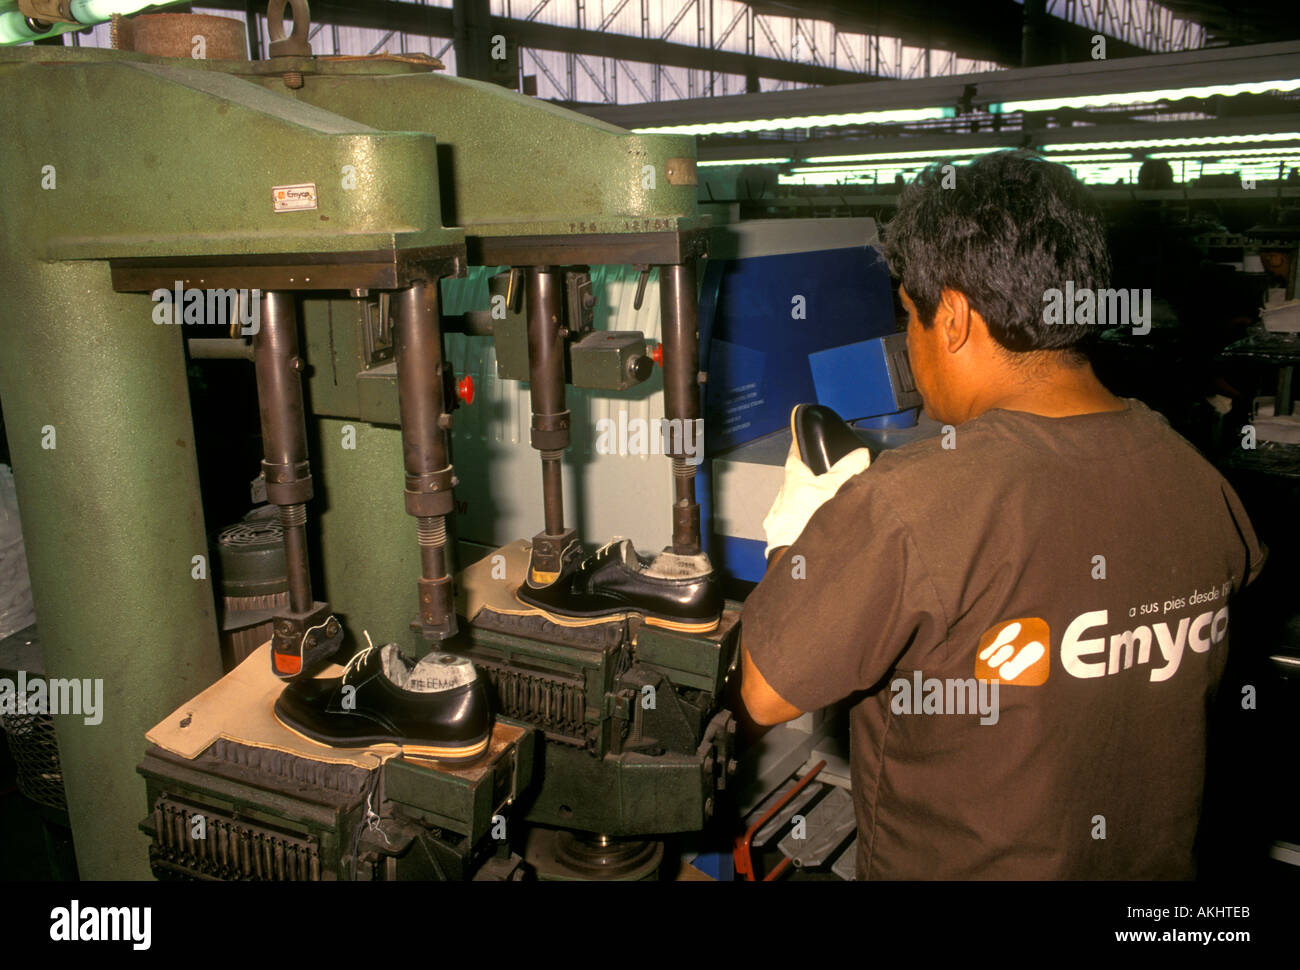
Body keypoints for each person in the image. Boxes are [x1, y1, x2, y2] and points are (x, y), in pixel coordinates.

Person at [739, 149, 1266, 880]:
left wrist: (797, 542)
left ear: (951, 318)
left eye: (910, 319)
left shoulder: (914, 500)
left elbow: (766, 690)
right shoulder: (1198, 477)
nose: (912, 352)